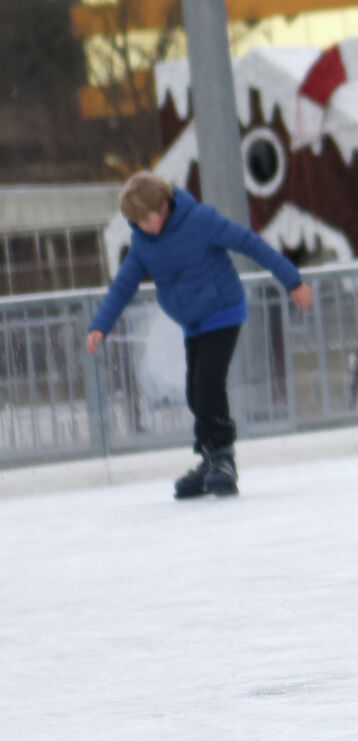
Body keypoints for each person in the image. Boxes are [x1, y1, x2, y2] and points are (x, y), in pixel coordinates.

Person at [86, 172, 314, 499]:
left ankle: (223, 460)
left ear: (163, 206)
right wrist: (100, 325)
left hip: (222, 310)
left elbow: (250, 243)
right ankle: (210, 461)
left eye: (146, 219)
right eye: (136, 222)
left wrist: (293, 281)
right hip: (192, 320)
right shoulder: (142, 242)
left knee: (207, 385)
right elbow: (124, 283)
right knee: (195, 391)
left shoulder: (201, 220)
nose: (143, 227)